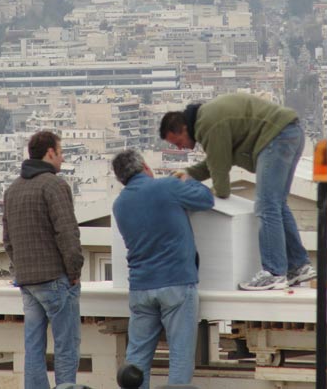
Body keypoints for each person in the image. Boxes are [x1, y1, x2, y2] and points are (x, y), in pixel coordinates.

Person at [159, 93, 316, 291]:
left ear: (183, 128)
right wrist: (189, 173)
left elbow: (222, 186)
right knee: (277, 204)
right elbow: (219, 160)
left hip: (276, 138)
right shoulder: (208, 118)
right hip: (290, 133)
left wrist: (203, 194)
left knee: (267, 205)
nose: (179, 148)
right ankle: (298, 265)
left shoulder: (208, 125)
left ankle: (274, 272)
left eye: (177, 142)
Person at [112, 148, 214, 389]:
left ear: (121, 179)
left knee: (136, 359)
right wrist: (188, 180)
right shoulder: (167, 186)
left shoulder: (120, 204)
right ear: (146, 167)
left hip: (140, 287)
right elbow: (206, 199)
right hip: (176, 284)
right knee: (180, 356)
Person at [3, 131, 84, 389]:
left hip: (27, 280)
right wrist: (74, 270)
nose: (62, 158)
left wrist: (21, 268)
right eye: (60, 153)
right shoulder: (54, 184)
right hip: (55, 278)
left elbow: (7, 239)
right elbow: (67, 231)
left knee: (34, 347)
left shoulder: (12, 189)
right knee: (66, 345)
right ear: (50, 152)